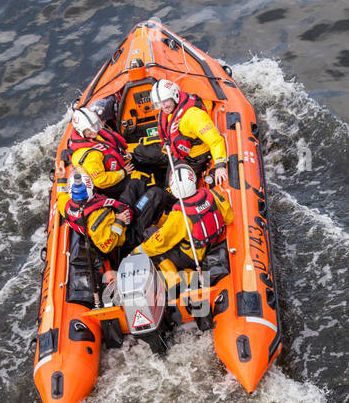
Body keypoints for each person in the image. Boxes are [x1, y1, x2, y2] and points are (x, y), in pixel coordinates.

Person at [68, 105, 166, 242]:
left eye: (96, 125)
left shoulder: (92, 136)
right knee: (141, 181)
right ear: (83, 132)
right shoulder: (90, 157)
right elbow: (100, 180)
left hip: (118, 167)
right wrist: (122, 173)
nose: (96, 130)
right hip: (112, 182)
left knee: (145, 164)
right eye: (91, 130)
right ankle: (158, 200)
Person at [131, 163, 233, 293]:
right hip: (211, 245)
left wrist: (138, 251)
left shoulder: (180, 215)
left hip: (192, 256)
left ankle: (174, 280)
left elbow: (161, 241)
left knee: (150, 236)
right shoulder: (211, 194)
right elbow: (229, 217)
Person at [132, 79, 229, 187]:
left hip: (192, 158)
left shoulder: (194, 116)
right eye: (159, 103)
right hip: (173, 149)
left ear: (175, 97)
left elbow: (215, 140)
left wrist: (220, 165)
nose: (163, 106)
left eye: (165, 101)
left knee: (172, 190)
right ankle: (151, 177)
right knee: (139, 152)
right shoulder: (168, 110)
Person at [58, 169, 132, 256]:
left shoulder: (65, 203)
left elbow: (61, 195)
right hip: (124, 235)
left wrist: (61, 178)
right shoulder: (96, 217)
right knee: (139, 189)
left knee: (133, 188)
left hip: (103, 223)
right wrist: (119, 221)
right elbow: (107, 247)